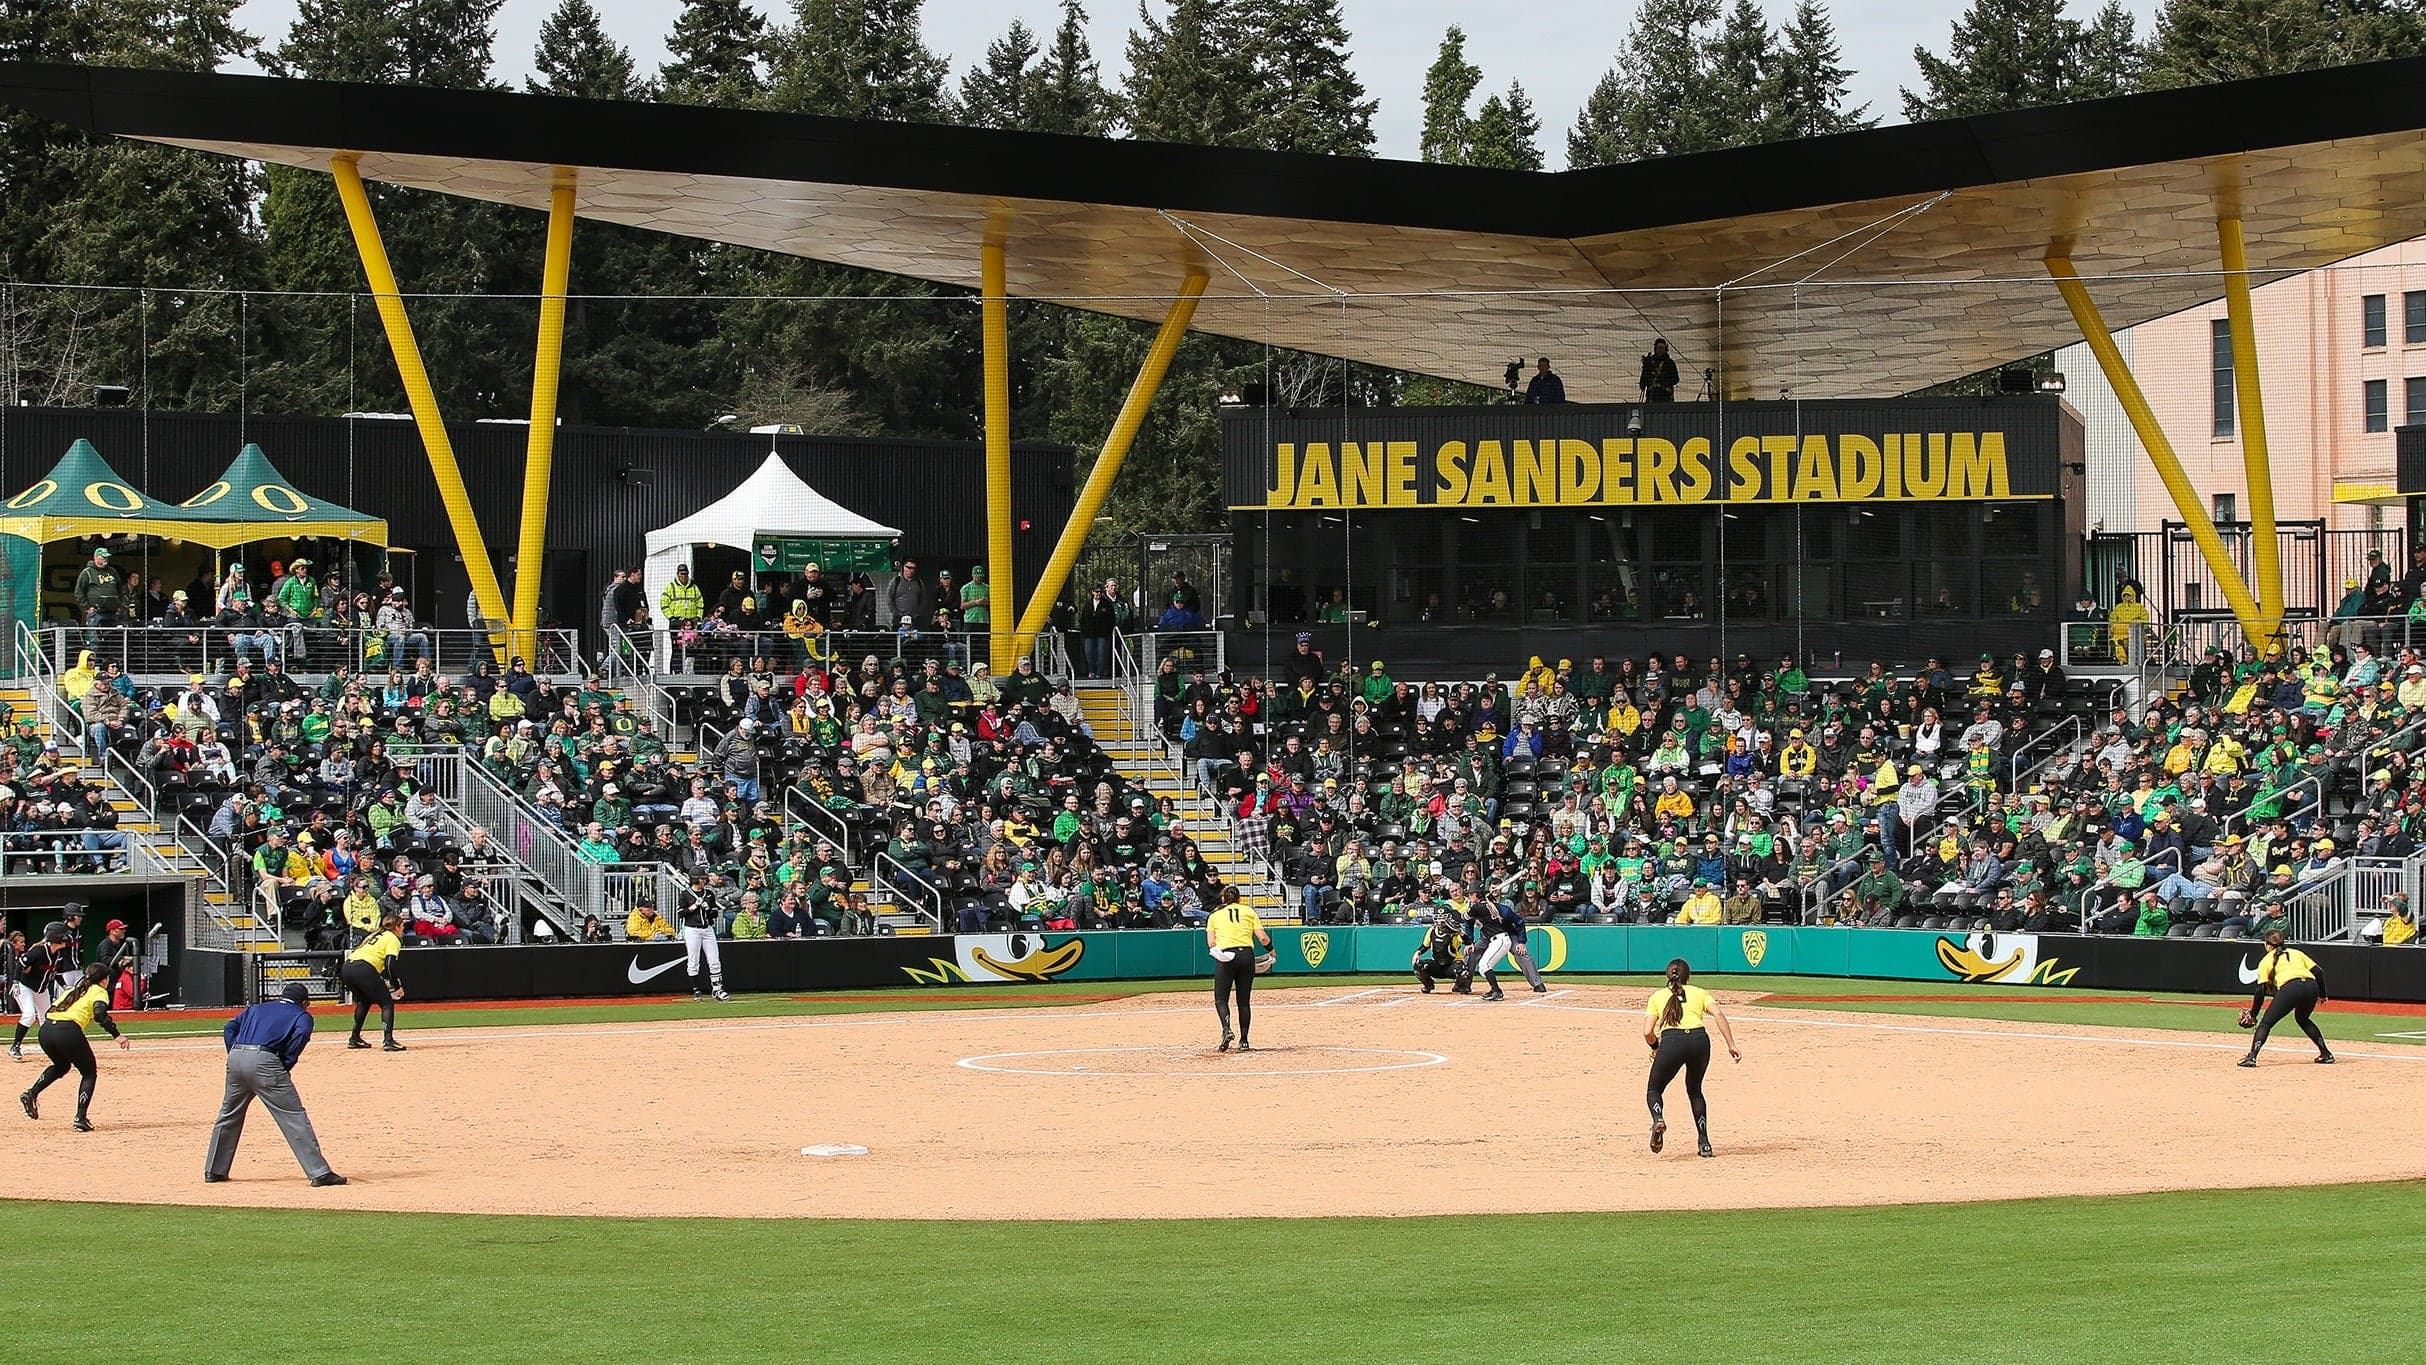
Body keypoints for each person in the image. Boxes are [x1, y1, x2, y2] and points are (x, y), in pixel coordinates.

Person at [205, 983, 345, 1186]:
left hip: (236, 1058)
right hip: (266, 1062)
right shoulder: (301, 1015)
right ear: (305, 1003)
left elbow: (229, 1028)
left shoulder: (257, 1008)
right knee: (293, 1115)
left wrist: (235, 1053)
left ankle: (214, 1170)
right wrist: (285, 1063)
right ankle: (319, 1172)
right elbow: (301, 1035)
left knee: (228, 1114)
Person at [1642, 958, 1740, 1157]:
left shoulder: (1657, 996)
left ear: (1667, 976)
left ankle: (1658, 1118)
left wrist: (1655, 1047)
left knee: (1654, 1089)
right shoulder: (1699, 992)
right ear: (1688, 976)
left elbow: (1647, 1032)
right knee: (1695, 1091)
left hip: (1672, 1042)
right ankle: (1704, 1143)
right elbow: (1719, 1014)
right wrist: (1731, 1044)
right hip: (1699, 1041)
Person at [18, 963, 125, 1132]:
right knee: (89, 1072)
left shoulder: (73, 990)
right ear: (104, 980)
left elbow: (49, 1011)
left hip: (46, 1030)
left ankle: (31, 1093)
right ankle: (80, 1118)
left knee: (61, 1066)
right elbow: (99, 1014)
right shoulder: (99, 991)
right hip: (67, 1031)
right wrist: (116, 1035)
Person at [2238, 929, 2333, 1067]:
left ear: (2268, 945)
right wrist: (2323, 995)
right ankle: (2326, 1053)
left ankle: (2252, 1057)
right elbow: (2318, 971)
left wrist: (2253, 1014)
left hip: (2291, 988)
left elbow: (2261, 990)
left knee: (2266, 1024)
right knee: (2302, 1019)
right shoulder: (2296, 953)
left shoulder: (2266, 960)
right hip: (2311, 986)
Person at [1205, 888, 1270, 1053]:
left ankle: (1226, 1029)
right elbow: (1262, 937)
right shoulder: (1248, 911)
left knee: (1221, 998)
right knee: (1243, 1002)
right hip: (1247, 955)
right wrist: (1271, 951)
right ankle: (1244, 1040)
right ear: (1239, 898)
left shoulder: (1214, 915)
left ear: (1223, 899)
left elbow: (1211, 943)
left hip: (1226, 955)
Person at [342, 913, 408, 1052]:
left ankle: (354, 1038)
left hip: (348, 967)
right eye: (402, 926)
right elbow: (390, 963)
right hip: (363, 968)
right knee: (387, 1003)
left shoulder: (375, 934)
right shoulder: (393, 938)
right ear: (396, 927)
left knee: (364, 1001)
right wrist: (396, 986)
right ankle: (388, 1040)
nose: (403, 929)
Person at [10, 921, 71, 1061]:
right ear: (55, 937)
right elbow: (21, 963)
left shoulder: (58, 953)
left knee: (47, 1018)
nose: (66, 939)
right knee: (29, 1015)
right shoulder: (39, 951)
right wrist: (15, 982)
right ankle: (15, 1046)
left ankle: (50, 1047)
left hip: (41, 989)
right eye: (63, 937)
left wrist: (65, 986)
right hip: (25, 986)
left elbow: (56, 973)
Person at [676, 872, 731, 1001]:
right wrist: (694, 906)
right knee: (693, 961)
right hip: (692, 930)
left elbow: (715, 914)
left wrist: (708, 909)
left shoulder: (709, 894)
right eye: (702, 878)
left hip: (707, 929)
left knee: (714, 960)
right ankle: (696, 990)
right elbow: (680, 913)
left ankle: (718, 990)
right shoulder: (685, 894)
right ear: (696, 879)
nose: (704, 880)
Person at [1410, 909, 1467, 993]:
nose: (1440, 920)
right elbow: (1425, 946)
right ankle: (1428, 985)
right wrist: (1418, 952)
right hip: (1437, 964)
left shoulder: (1454, 932)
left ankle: (1458, 986)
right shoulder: (1432, 930)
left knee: (1463, 971)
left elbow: (1467, 942)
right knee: (1418, 965)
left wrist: (1460, 932)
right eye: (1438, 918)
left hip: (1452, 965)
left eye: (1443, 918)